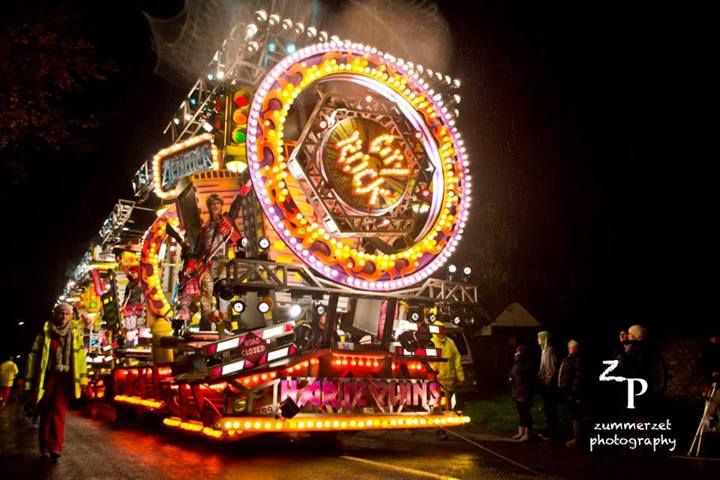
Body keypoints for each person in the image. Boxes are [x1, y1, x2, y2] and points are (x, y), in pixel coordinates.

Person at [25, 303, 88, 460]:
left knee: (59, 412)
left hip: (66, 379)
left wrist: (83, 380)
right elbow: (34, 358)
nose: (64, 317)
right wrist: (29, 382)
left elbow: (80, 358)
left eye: (67, 314)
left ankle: (55, 446)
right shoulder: (45, 334)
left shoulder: (75, 335)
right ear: (55, 315)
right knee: (46, 410)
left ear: (71, 316)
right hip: (47, 378)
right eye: (61, 314)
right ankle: (44, 446)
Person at [193, 194, 228, 330]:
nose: (215, 206)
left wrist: (242, 195)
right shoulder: (205, 227)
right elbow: (200, 246)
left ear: (221, 206)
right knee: (206, 293)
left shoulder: (226, 223)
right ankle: (206, 323)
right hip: (208, 263)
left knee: (223, 291)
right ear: (209, 207)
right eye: (213, 204)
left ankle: (224, 323)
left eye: (218, 203)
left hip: (222, 262)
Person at [617, 324, 667, 416]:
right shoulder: (642, 350)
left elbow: (624, 366)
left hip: (639, 393)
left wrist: (623, 344)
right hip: (641, 392)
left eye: (629, 335)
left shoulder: (638, 351)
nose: (627, 336)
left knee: (640, 419)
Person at [430, 321, 465, 440]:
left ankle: (440, 428)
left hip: (449, 383)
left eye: (443, 329)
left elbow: (457, 360)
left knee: (446, 407)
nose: (442, 331)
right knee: (437, 406)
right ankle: (440, 429)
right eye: (439, 329)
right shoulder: (431, 342)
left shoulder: (450, 343)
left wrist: (460, 377)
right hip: (435, 382)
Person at [558, 339, 584, 447]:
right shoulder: (569, 359)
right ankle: (571, 435)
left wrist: (573, 390)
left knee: (576, 414)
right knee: (570, 413)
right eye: (569, 347)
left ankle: (577, 438)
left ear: (576, 348)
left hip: (572, 391)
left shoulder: (577, 359)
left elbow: (578, 376)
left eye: (572, 347)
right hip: (566, 390)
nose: (569, 349)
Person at [509, 345, 534, 441]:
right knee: (521, 412)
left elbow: (525, 374)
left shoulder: (526, 363)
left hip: (524, 391)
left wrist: (519, 360)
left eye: (518, 352)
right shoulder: (517, 362)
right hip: (517, 391)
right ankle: (521, 432)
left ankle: (528, 434)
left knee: (525, 412)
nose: (516, 354)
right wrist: (510, 377)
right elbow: (512, 373)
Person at [536, 330, 558, 439]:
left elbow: (551, 369)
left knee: (550, 407)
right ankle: (548, 428)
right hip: (544, 384)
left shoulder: (549, 351)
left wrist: (547, 382)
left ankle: (552, 431)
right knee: (547, 407)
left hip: (549, 385)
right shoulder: (544, 351)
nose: (538, 340)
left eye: (539, 338)